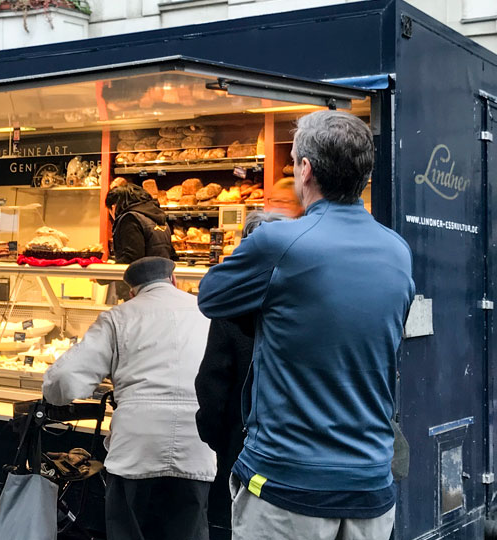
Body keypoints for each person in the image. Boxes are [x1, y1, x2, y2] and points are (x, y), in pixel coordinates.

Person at [197, 110, 415, 540]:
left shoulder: (278, 243)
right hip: (372, 487)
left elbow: (211, 296)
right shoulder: (398, 250)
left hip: (287, 486)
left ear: (306, 169)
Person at [43, 256, 216, 540]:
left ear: (133, 291)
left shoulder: (119, 316)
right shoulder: (205, 312)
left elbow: (64, 380)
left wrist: (51, 395)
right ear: (173, 281)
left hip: (137, 446)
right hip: (195, 444)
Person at [193, 211, 289, 538]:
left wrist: (222, 441)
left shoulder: (231, 308)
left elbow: (212, 387)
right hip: (296, 460)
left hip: (242, 453)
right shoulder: (306, 304)